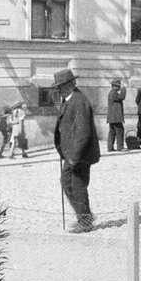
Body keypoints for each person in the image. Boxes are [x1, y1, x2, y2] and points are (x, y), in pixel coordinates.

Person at [52, 67, 100, 232]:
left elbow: (83, 132)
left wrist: (74, 156)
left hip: (80, 154)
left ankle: (85, 223)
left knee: (78, 186)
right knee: (66, 183)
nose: (58, 89)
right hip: (70, 153)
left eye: (60, 86)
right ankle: (84, 216)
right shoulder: (69, 99)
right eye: (57, 87)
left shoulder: (79, 101)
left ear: (70, 84)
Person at [106, 78, 126, 152]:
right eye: (118, 86)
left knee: (112, 131)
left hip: (112, 117)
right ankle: (120, 147)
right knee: (120, 131)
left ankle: (110, 147)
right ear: (114, 86)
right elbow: (122, 97)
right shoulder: (113, 93)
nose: (119, 87)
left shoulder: (112, 92)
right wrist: (124, 89)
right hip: (115, 116)